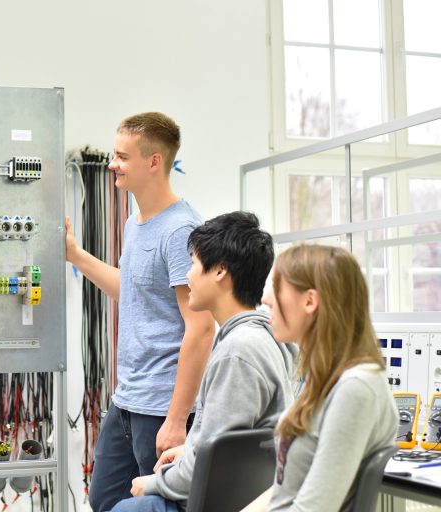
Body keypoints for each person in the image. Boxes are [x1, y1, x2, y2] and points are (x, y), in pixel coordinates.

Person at [65, 112, 215, 511]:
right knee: (104, 501)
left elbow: (200, 328)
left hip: (162, 405)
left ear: (154, 162)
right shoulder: (136, 223)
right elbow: (130, 290)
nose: (113, 164)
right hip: (128, 399)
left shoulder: (180, 229)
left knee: (157, 507)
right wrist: (75, 255)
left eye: (122, 157)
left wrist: (176, 418)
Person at [110, 211, 298, 512]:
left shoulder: (238, 351)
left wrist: (152, 484)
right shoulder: (267, 338)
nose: (188, 275)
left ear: (220, 271)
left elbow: (212, 466)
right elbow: (226, 445)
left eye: (195, 264)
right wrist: (187, 451)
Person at [242, 244, 398, 511]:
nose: (266, 299)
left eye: (277, 288)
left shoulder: (356, 388)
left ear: (310, 301)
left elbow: (313, 508)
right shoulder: (323, 379)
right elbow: (284, 491)